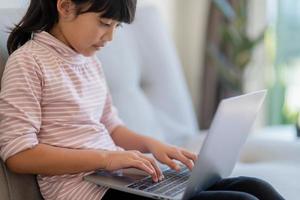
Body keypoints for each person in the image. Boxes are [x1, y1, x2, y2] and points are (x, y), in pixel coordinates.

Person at [0, 0, 285, 200]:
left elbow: (111, 125)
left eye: (117, 27)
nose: (110, 36)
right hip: (85, 190)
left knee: (256, 187)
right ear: (65, 6)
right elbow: (19, 155)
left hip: (120, 178)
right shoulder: (29, 62)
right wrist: (107, 158)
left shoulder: (88, 60)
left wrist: (154, 145)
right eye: (104, 23)